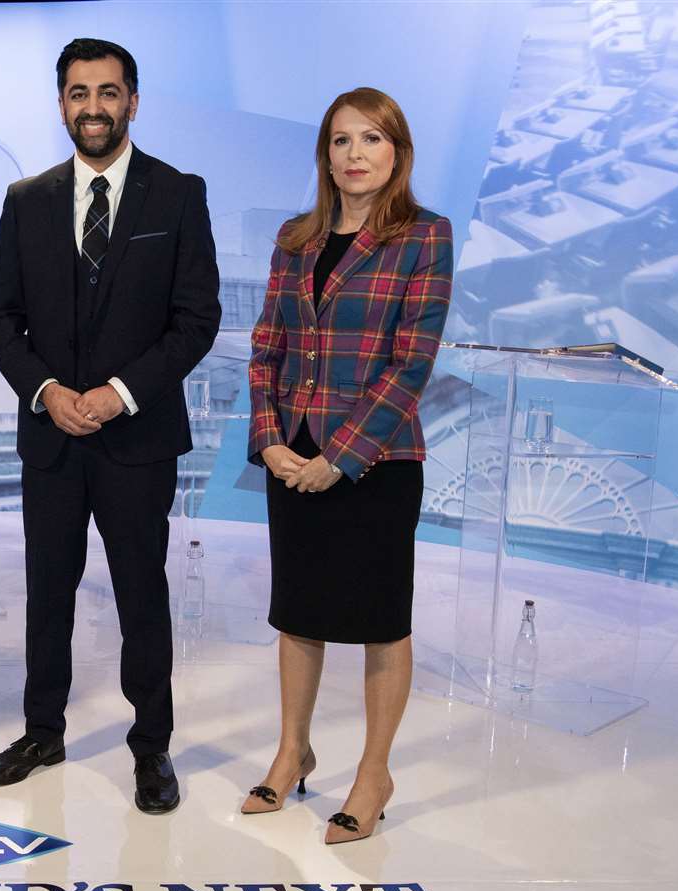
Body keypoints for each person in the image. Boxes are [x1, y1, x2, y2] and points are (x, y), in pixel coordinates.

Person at [0, 38, 221, 813]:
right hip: (52, 438)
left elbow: (196, 321)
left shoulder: (178, 195)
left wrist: (119, 393)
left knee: (141, 595)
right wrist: (46, 390)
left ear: (133, 101)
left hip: (136, 440)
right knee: (47, 591)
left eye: (108, 92)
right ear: (61, 105)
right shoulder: (26, 199)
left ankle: (152, 747)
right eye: (78, 93)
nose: (93, 107)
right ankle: (42, 730)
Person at [241, 87, 453, 843]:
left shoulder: (424, 237)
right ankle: (293, 752)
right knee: (297, 613)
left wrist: (342, 457)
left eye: (371, 139)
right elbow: (267, 347)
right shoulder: (295, 237)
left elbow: (411, 363)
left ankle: (374, 773)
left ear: (397, 151)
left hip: (377, 461)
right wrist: (269, 438)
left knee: (378, 620)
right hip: (291, 451)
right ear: (324, 154)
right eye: (340, 141)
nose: (354, 155)